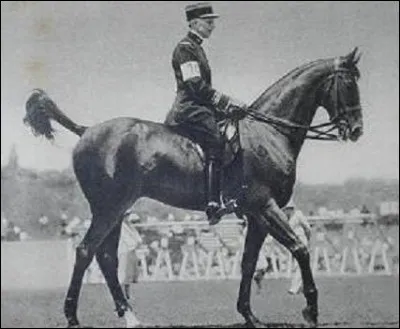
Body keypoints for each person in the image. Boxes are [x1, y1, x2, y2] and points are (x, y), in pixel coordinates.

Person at [164, 2, 248, 224]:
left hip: (201, 106)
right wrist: (227, 101)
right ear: (193, 23)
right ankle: (212, 202)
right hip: (189, 108)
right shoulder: (185, 48)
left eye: (213, 22)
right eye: (208, 22)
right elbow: (195, 86)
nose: (212, 26)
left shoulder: (196, 47)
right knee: (216, 139)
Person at [283, 199, 312, 295]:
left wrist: (307, 240)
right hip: (292, 243)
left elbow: (307, 228)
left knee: (298, 265)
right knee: (300, 265)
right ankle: (305, 286)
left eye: (288, 209)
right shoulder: (284, 218)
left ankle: (294, 288)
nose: (286, 210)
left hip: (301, 240)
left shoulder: (298, 214)